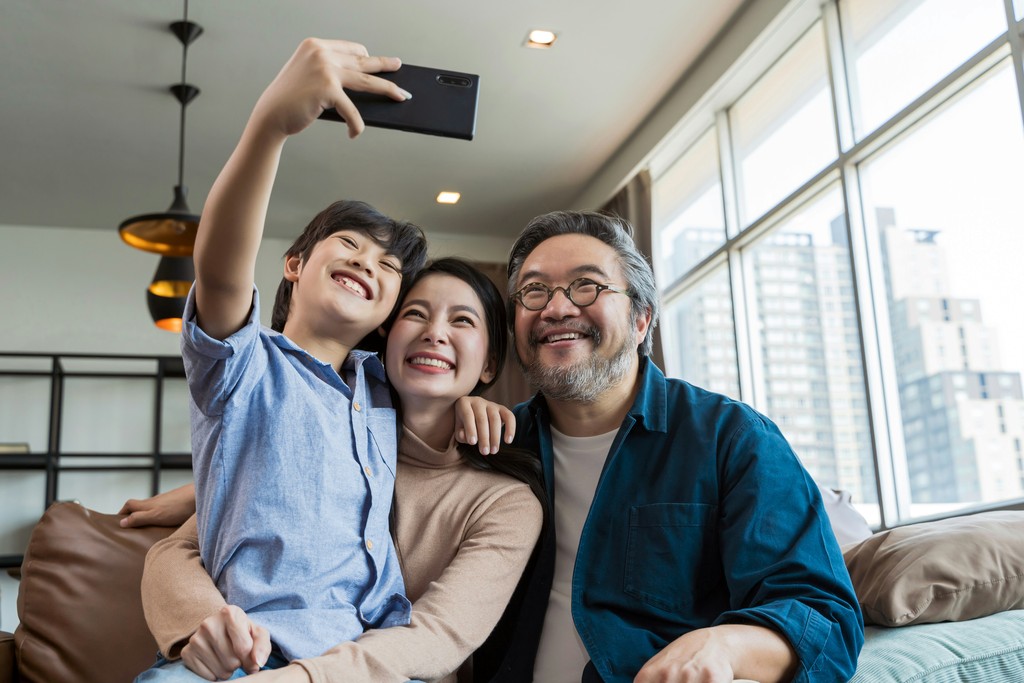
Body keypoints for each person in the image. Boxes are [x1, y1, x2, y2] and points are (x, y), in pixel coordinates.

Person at [135, 36, 439, 677]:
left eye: (389, 267)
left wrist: (468, 408)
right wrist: (271, 126)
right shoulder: (243, 365)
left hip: (364, 657)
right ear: (295, 265)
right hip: (246, 655)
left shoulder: (386, 390)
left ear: (387, 313)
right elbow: (219, 274)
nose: (367, 262)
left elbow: (308, 469)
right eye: (350, 244)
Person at [466, 209, 863, 682]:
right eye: (534, 291)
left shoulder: (730, 437)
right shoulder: (498, 446)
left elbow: (825, 620)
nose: (556, 309)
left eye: (587, 285)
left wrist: (724, 645)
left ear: (641, 320)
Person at [131, 258, 544, 683]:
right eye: (415, 314)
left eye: (462, 320)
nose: (434, 332)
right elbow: (177, 550)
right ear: (386, 337)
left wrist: (303, 679)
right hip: (255, 658)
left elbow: (438, 633)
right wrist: (206, 625)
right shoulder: (323, 443)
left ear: (490, 364)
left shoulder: (506, 502)